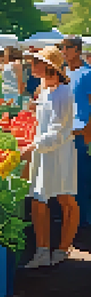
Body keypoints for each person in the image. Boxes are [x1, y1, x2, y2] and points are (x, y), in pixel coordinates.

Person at [21, 46, 79, 268]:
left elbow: (58, 132)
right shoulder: (46, 90)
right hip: (43, 152)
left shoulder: (64, 93)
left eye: (36, 62)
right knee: (38, 200)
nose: (32, 66)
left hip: (59, 153)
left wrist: (32, 146)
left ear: (49, 67)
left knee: (65, 199)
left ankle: (63, 248)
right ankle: (43, 250)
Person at [60, 36, 91, 227]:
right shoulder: (63, 73)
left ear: (77, 50)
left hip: (81, 135)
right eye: (62, 48)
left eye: (67, 48)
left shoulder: (88, 74)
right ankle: (72, 222)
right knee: (68, 182)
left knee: (82, 182)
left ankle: (84, 225)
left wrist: (88, 135)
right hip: (65, 134)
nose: (63, 51)